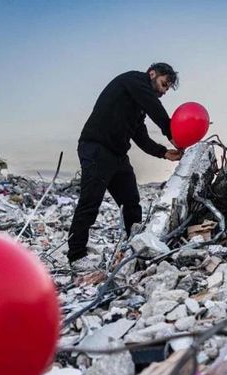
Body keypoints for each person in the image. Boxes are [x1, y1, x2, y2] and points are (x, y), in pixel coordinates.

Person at [67, 63, 182, 271]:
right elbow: (153, 105)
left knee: (131, 203)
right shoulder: (133, 80)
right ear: (152, 74)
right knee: (90, 202)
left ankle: (134, 247)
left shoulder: (137, 105)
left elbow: (140, 135)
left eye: (167, 88)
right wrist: (170, 131)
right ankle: (76, 256)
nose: (164, 91)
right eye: (164, 84)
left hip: (118, 156)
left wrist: (163, 152)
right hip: (96, 148)